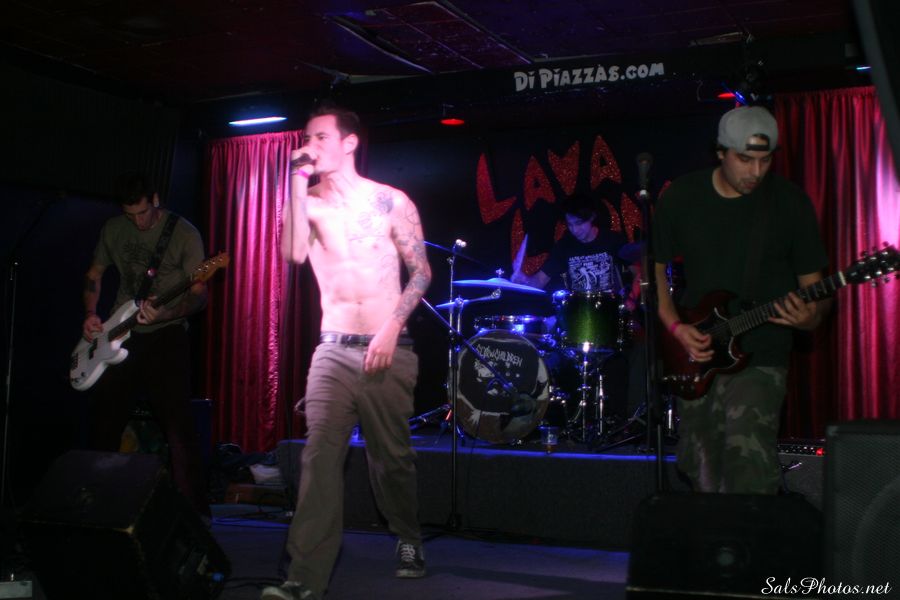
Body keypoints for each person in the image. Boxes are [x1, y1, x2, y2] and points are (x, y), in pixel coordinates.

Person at [262, 105, 431, 600]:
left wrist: (391, 327)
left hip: (387, 348)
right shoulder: (307, 203)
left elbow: (421, 272)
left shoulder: (391, 200)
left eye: (321, 137)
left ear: (349, 142)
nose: (310, 145)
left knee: (391, 459)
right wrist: (297, 182)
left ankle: (407, 535)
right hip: (333, 349)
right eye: (307, 138)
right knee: (318, 458)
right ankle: (303, 579)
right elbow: (293, 254)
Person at [652, 105, 831, 495]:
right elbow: (653, 270)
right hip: (697, 353)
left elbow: (816, 293)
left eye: (765, 160)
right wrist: (676, 327)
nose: (756, 171)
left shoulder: (789, 204)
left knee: (748, 463)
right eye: (745, 159)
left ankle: (751, 533)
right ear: (720, 152)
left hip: (762, 352)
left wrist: (809, 318)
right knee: (700, 468)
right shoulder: (681, 196)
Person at [81, 173, 210, 517]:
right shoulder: (113, 229)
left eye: (142, 213)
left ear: (155, 200)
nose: (137, 222)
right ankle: (94, 508)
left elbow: (199, 295)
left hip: (166, 334)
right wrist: (91, 314)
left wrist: (168, 311)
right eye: (130, 215)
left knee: (178, 427)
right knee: (104, 423)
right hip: (119, 333)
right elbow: (94, 275)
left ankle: (195, 515)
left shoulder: (184, 234)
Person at [511, 191, 628, 293]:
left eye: (579, 223)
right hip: (578, 307)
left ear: (592, 217)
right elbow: (541, 280)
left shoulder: (613, 239)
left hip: (611, 305)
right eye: (570, 225)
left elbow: (636, 272)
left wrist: (632, 295)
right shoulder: (564, 245)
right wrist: (524, 281)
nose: (575, 230)